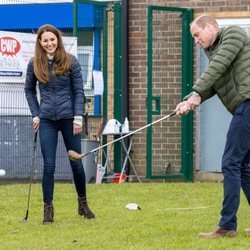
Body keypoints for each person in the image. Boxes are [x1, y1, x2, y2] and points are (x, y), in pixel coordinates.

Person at [174, 15, 250, 238]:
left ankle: (227, 225)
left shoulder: (233, 33)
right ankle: (228, 224)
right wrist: (189, 100)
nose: (196, 41)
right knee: (243, 166)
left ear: (210, 27)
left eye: (197, 35)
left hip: (247, 104)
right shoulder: (213, 51)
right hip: (243, 107)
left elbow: (217, 67)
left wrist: (196, 92)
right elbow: (213, 83)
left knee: (230, 163)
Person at [25, 24, 95, 224]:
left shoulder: (71, 61)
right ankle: (48, 210)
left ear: (58, 40)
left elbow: (79, 91)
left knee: (77, 164)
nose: (49, 43)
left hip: (69, 119)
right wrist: (35, 114)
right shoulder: (34, 64)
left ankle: (83, 204)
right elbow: (29, 90)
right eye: (45, 40)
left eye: (52, 39)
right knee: (49, 166)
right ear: (40, 42)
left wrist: (78, 117)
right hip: (46, 119)